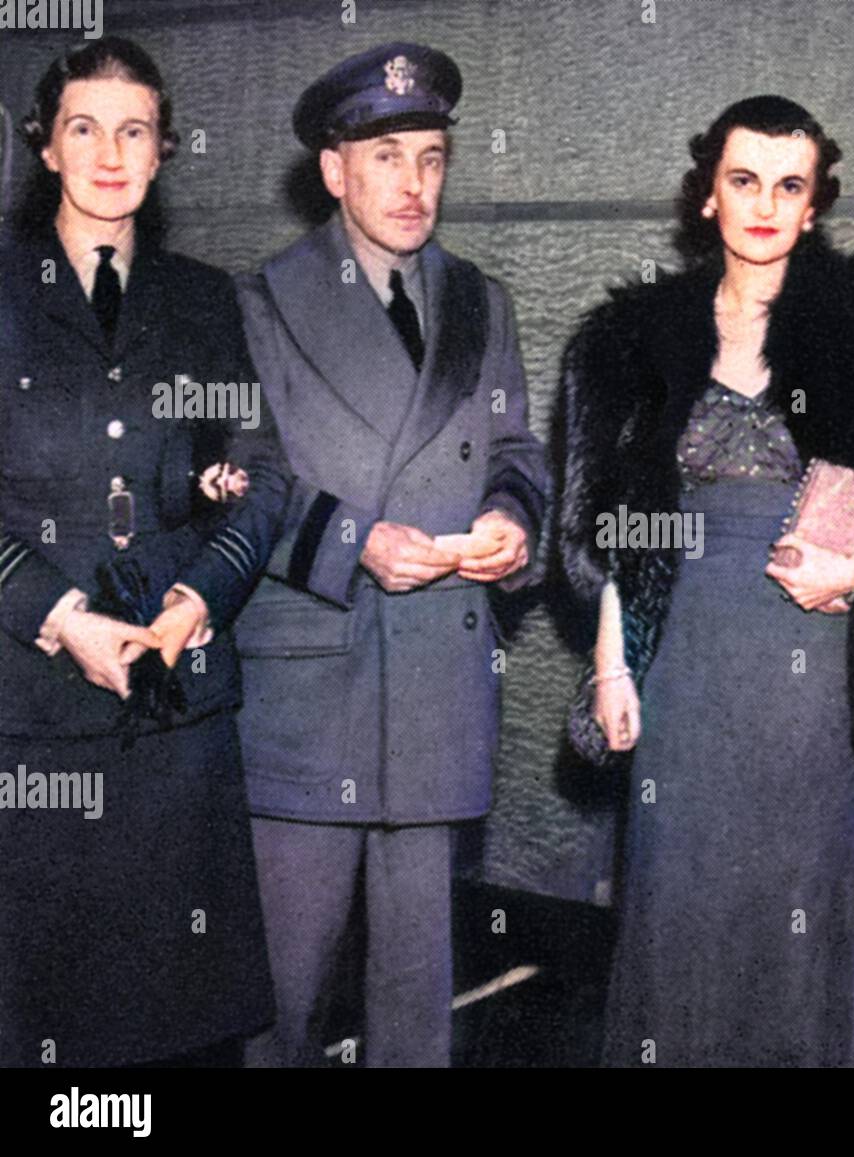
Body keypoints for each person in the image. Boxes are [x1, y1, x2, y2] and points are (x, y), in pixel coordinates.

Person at [561, 95, 854, 1067]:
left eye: (789, 186)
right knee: (673, 915)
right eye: (743, 181)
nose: (763, 205)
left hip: (808, 671)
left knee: (793, 924)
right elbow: (607, 533)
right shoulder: (631, 338)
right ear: (707, 192)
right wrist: (613, 670)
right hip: (681, 674)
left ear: (815, 203)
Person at [235, 42, 547, 1068]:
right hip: (311, 686)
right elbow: (237, 484)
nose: (414, 186)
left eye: (431, 158)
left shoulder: (480, 302)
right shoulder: (259, 304)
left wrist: (511, 519)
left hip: (435, 683)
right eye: (385, 159)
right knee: (279, 993)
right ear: (333, 170)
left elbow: (515, 451)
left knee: (417, 1002)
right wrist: (356, 541)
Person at [0, 37, 290, 1067]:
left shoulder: (207, 302)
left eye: (135, 130)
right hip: (35, 720)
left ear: (165, 150)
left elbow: (262, 478)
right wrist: (59, 613)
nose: (110, 153)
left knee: (180, 1026)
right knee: (49, 1027)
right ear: (45, 147)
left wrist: (199, 597)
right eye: (85, 127)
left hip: (178, 714)